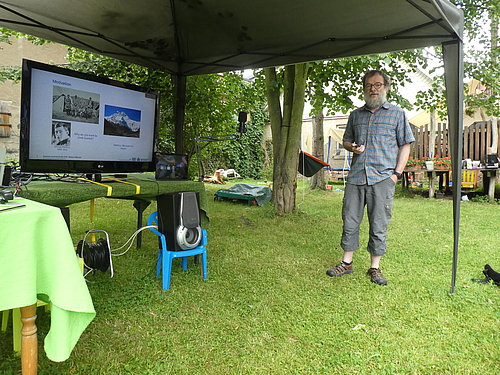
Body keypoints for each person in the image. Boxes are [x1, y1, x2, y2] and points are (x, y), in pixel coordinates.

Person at [326, 69, 414, 285]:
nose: (373, 89)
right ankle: (346, 264)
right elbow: (346, 140)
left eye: (377, 85)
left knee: (379, 223)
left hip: (382, 178)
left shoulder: (397, 114)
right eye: (368, 86)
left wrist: (396, 175)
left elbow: (405, 145)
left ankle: (375, 267)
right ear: (364, 89)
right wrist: (352, 147)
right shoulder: (355, 115)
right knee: (350, 220)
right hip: (356, 177)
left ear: (386, 87)